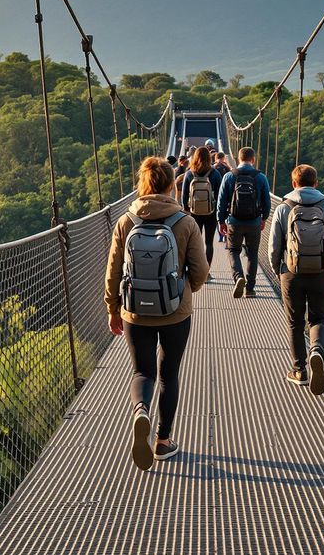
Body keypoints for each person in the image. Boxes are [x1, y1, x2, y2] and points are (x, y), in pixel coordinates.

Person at [105, 157, 210, 470]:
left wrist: (113, 308)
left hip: (134, 311)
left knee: (143, 372)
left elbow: (112, 271)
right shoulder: (185, 221)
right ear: (171, 185)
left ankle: (140, 411)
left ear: (144, 184)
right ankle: (163, 442)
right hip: (176, 310)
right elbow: (201, 271)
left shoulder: (126, 220)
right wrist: (185, 287)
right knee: (169, 374)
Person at [268, 164, 324, 395]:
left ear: (294, 184)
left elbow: (274, 246)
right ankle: (317, 350)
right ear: (316, 183)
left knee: (295, 322)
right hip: (322, 271)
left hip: (291, 272)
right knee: (319, 317)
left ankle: (299, 371)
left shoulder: (284, 208)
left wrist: (278, 270)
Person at [216, 146, 271, 298]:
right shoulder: (261, 177)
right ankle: (251, 289)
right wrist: (264, 218)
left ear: (238, 158)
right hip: (254, 222)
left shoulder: (229, 176)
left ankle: (238, 277)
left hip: (234, 220)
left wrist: (221, 221)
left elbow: (221, 202)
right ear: (253, 160)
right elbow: (267, 202)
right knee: (252, 254)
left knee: (233, 251)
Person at [180, 145, 222, 265]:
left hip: (194, 213)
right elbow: (219, 195)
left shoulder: (189, 173)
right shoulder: (215, 173)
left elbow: (184, 196)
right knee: (208, 243)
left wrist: (186, 210)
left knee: (194, 243)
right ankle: (206, 271)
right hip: (211, 212)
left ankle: (196, 269)